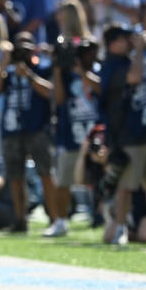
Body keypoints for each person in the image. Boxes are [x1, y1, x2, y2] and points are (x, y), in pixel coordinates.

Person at [99, 24, 146, 245]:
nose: (130, 42)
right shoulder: (111, 65)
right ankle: (120, 228)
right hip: (128, 136)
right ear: (113, 43)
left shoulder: (136, 59)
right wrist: (139, 50)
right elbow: (135, 77)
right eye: (125, 39)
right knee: (125, 187)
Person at [0, 31, 53, 233]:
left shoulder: (41, 67)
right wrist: (5, 62)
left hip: (36, 129)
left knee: (45, 173)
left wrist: (29, 75)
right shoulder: (8, 71)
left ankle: (54, 217)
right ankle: (20, 220)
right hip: (12, 130)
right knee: (15, 177)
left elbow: (50, 92)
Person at [50, 22, 100, 237]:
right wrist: (59, 70)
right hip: (71, 135)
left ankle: (105, 217)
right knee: (63, 181)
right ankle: (60, 221)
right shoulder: (66, 75)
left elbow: (102, 89)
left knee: (103, 180)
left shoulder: (97, 70)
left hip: (96, 136)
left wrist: (83, 72)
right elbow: (58, 100)